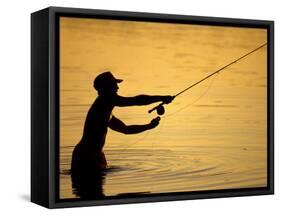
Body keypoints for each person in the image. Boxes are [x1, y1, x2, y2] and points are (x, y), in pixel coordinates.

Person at [71, 71, 174, 176]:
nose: (117, 88)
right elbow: (136, 100)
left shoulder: (106, 112)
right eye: (114, 85)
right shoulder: (105, 100)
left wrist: (148, 126)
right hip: (85, 156)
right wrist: (161, 98)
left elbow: (125, 129)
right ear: (105, 88)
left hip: (94, 155)